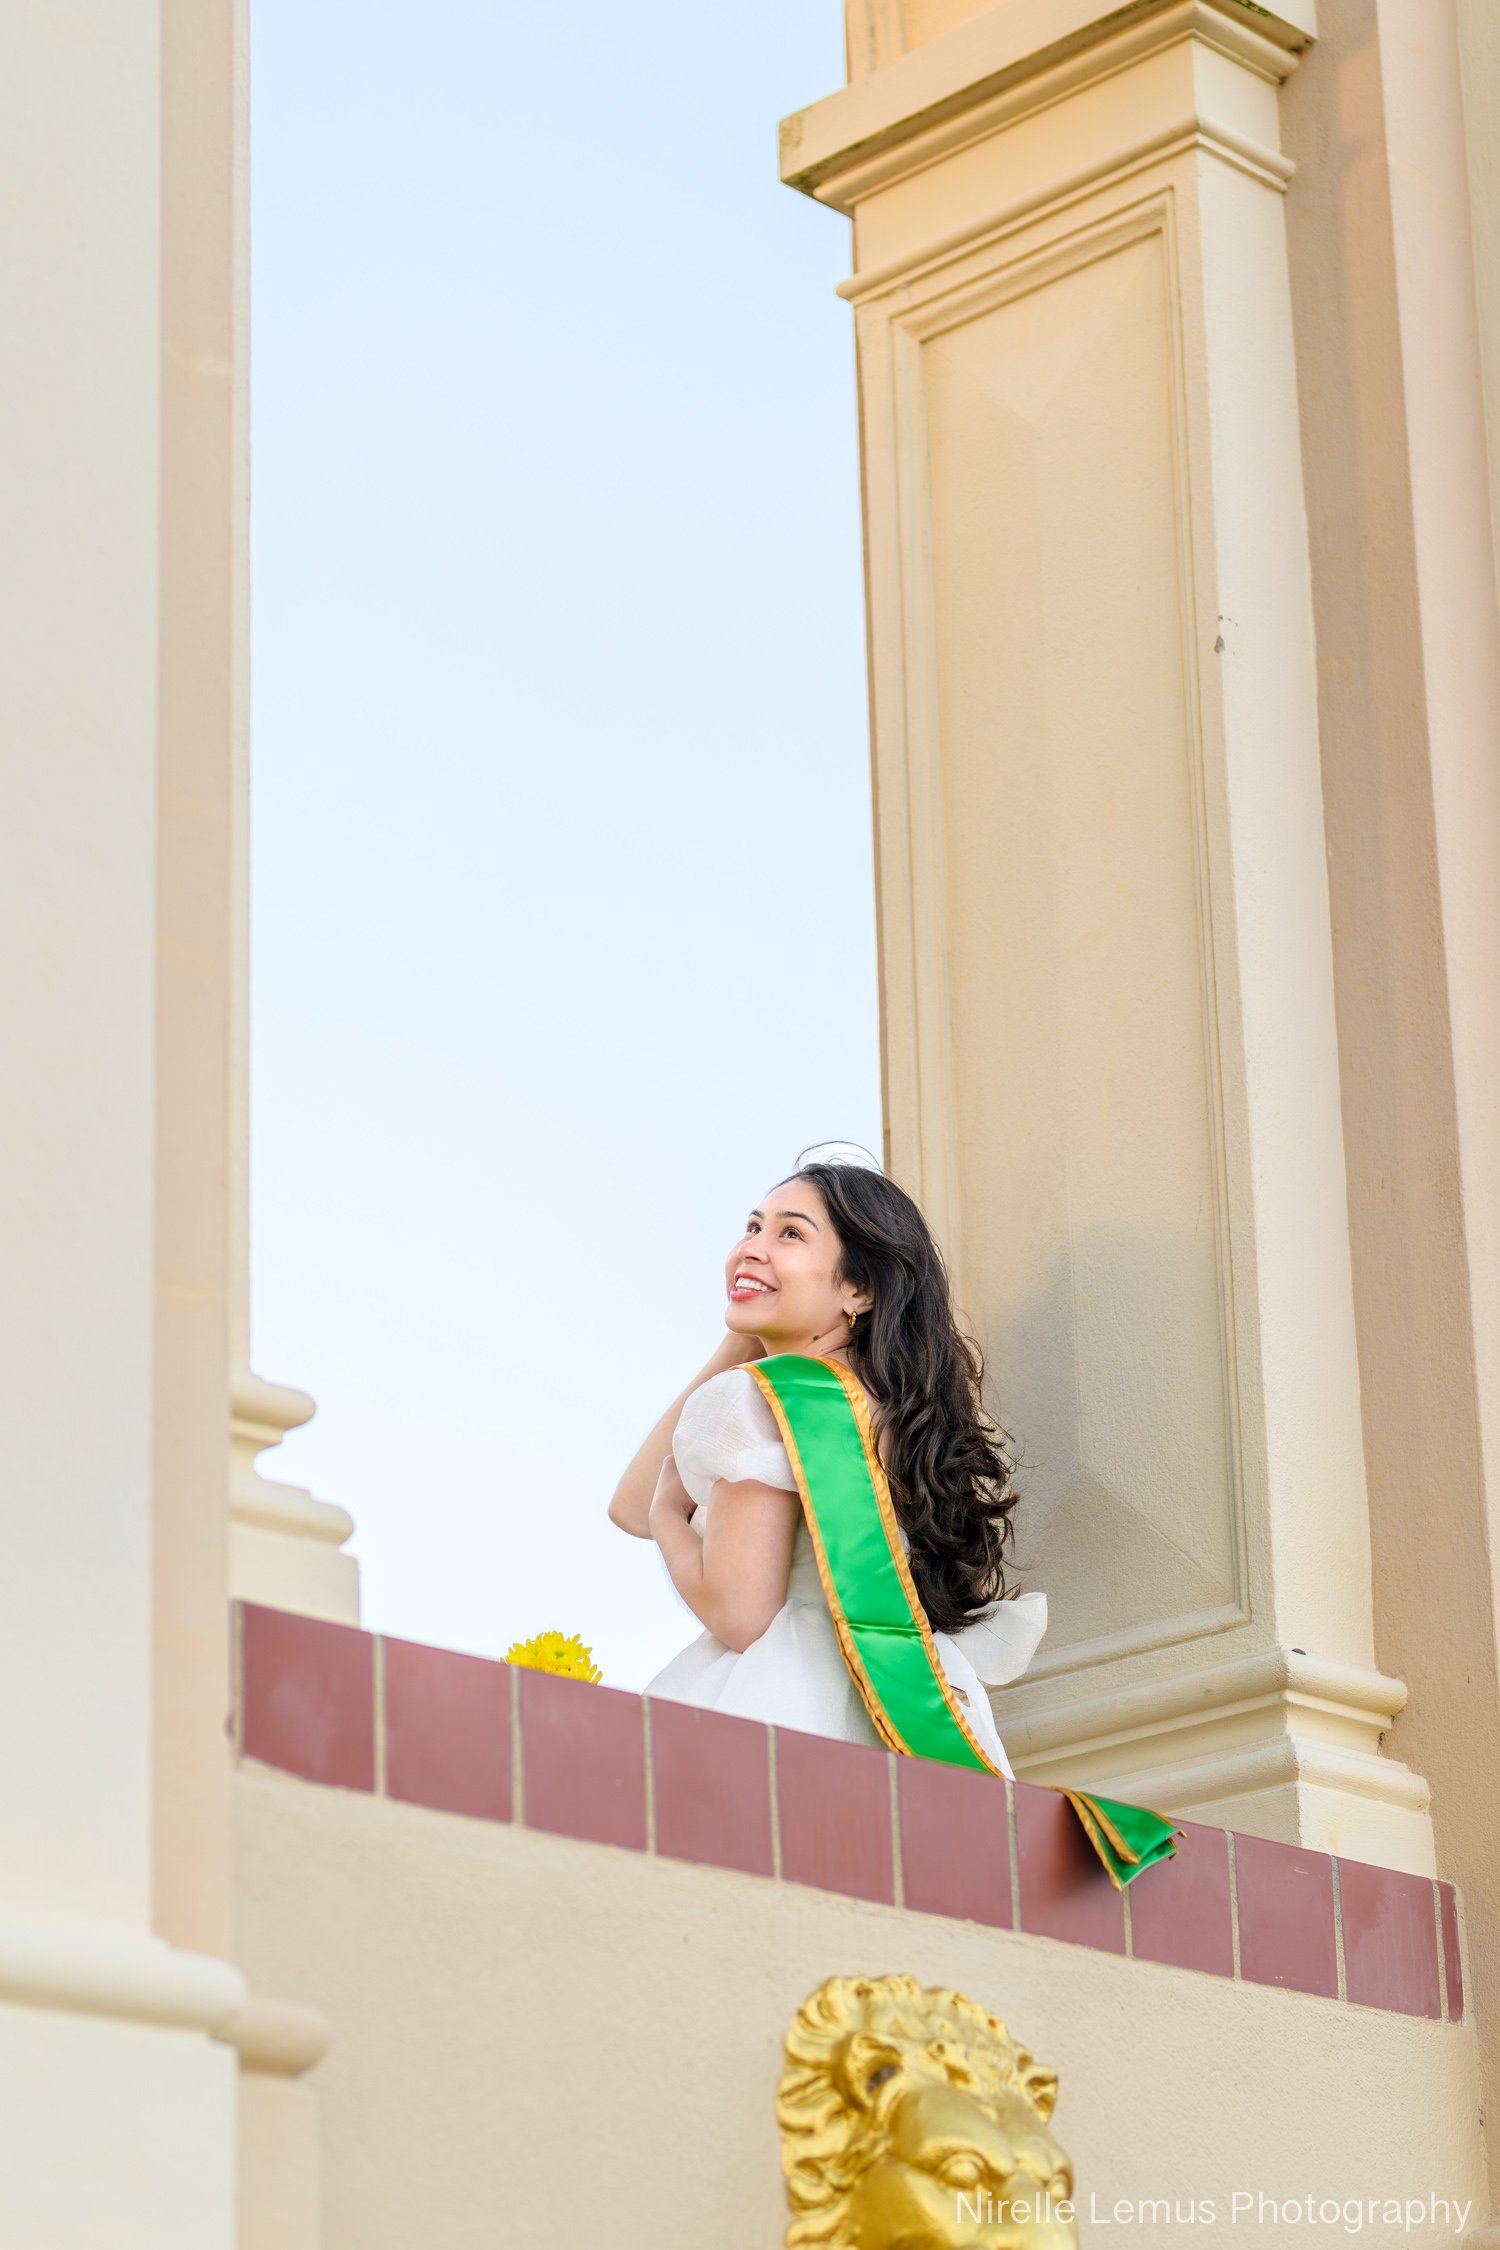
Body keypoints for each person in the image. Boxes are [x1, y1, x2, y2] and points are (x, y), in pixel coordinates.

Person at [608, 1155, 1046, 1776]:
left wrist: (667, 1514)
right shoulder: (904, 1416)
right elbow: (629, 1506)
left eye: (790, 1233)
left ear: (859, 1288)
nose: (751, 1247)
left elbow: (737, 1611)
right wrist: (755, 1328)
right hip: (903, 1700)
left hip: (783, 1693)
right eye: (752, 1227)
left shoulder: (755, 1402)